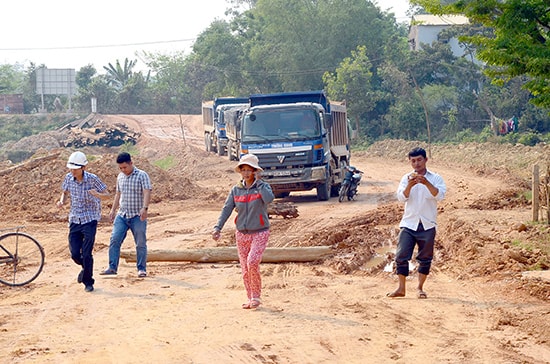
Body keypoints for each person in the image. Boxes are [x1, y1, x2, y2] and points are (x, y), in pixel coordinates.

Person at [212, 154, 275, 309]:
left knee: (252, 262)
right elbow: (226, 209)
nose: (246, 173)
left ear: (255, 171)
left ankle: (256, 296)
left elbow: (269, 199)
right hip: (241, 233)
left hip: (260, 231)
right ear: (240, 171)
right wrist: (217, 227)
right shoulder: (236, 190)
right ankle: (250, 297)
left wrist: (259, 183)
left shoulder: (263, 186)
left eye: (249, 170)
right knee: (245, 268)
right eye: (243, 170)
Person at [387, 147, 446, 299]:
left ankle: (420, 288)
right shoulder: (406, 178)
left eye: (419, 160)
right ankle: (401, 288)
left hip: (428, 224)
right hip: (409, 223)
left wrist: (426, 183)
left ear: (426, 160)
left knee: (425, 258)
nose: (417, 164)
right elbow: (401, 197)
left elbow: (439, 195)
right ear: (410, 162)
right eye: (413, 161)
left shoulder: (435, 178)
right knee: (401, 256)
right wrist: (410, 185)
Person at [57, 151, 109, 292]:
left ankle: (88, 281)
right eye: (71, 169)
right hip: (75, 218)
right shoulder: (68, 178)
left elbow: (107, 195)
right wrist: (62, 201)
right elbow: (65, 192)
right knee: (74, 253)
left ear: (83, 167)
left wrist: (97, 195)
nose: (73, 171)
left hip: (90, 219)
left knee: (87, 253)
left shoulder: (93, 179)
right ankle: (85, 268)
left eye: (75, 168)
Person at [100, 152, 152, 278]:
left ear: (131, 163)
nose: (123, 170)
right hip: (122, 215)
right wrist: (113, 210)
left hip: (137, 216)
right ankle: (112, 267)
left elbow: (147, 192)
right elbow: (118, 194)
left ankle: (141, 269)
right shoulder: (120, 177)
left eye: (125, 167)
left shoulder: (142, 175)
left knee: (140, 242)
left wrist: (145, 208)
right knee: (114, 240)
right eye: (121, 168)